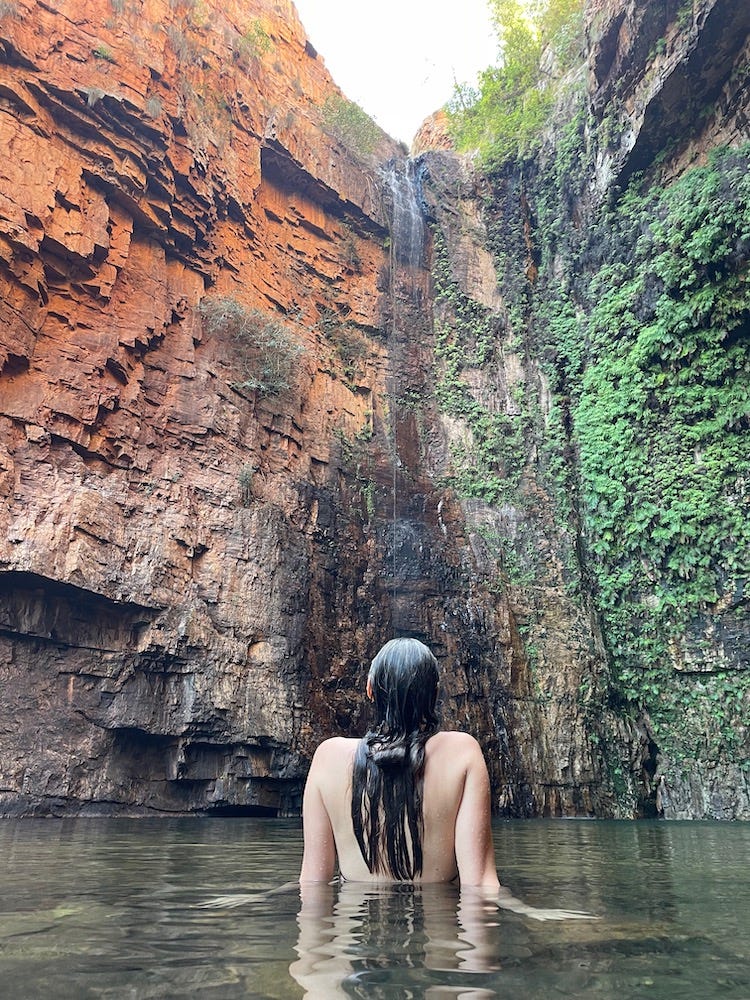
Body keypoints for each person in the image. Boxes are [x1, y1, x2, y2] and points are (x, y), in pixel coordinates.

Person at [300, 636, 499, 887]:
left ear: (370, 689)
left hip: (354, 923)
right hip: (437, 921)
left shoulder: (328, 757)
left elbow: (312, 884)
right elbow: (479, 884)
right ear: (435, 693)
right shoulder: (462, 752)